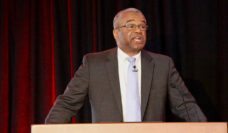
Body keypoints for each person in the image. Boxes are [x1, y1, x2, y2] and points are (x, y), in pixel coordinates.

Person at [45, 8, 207, 123]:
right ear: (116, 33)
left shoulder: (162, 64)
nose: (138, 30)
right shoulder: (94, 64)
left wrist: (207, 129)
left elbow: (185, 105)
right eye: (131, 26)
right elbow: (67, 104)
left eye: (142, 26)